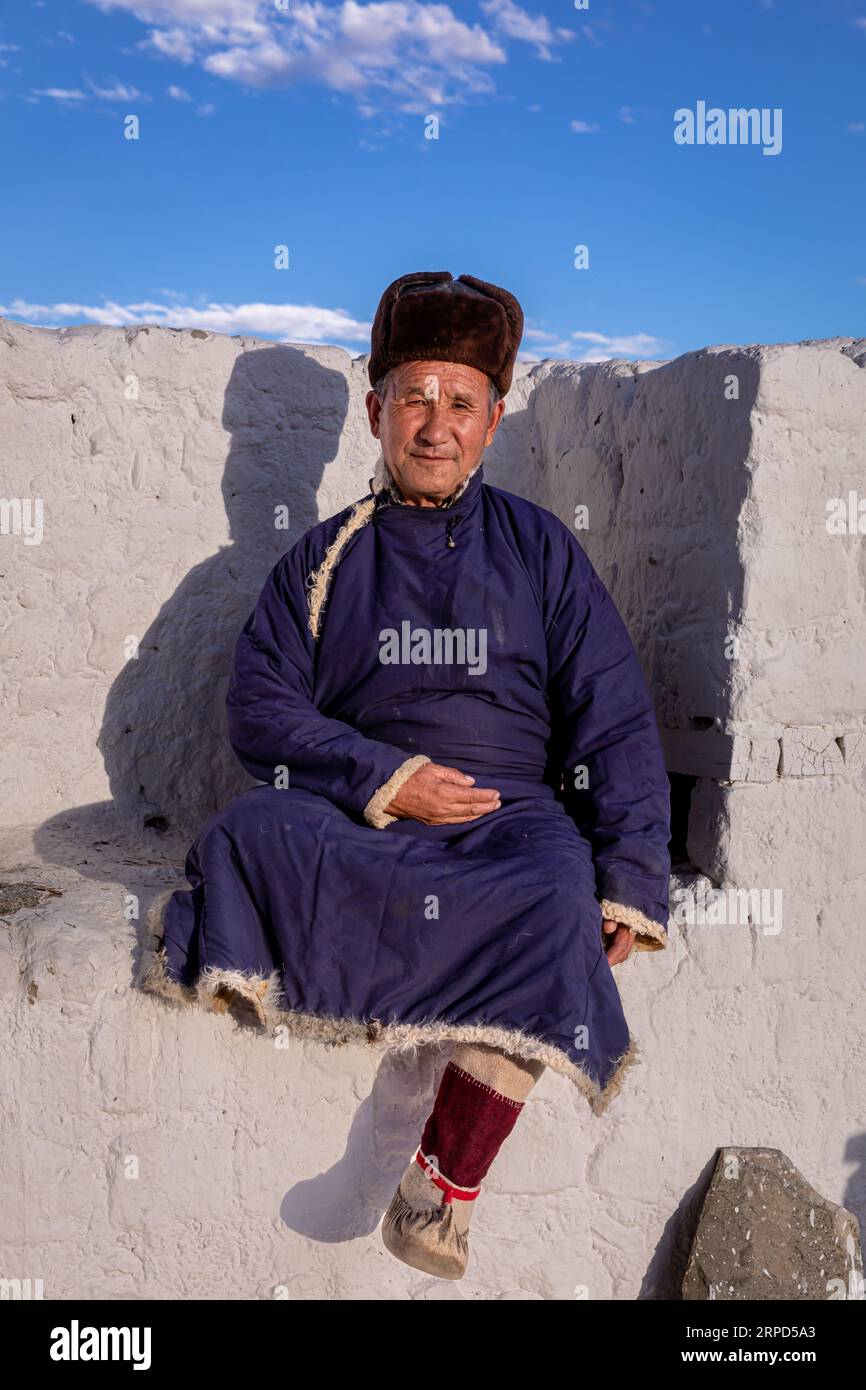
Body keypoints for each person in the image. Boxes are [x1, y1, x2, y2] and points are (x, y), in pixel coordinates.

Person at [143, 270, 671, 1281]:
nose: (436, 425)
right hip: (367, 822)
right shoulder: (319, 558)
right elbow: (260, 709)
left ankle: (432, 1187)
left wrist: (631, 875)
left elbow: (614, 711)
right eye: (415, 398)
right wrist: (386, 775)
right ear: (377, 409)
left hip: (507, 820)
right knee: (253, 833)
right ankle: (373, 1151)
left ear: (492, 418)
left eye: (460, 402)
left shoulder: (541, 551)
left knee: (560, 900)